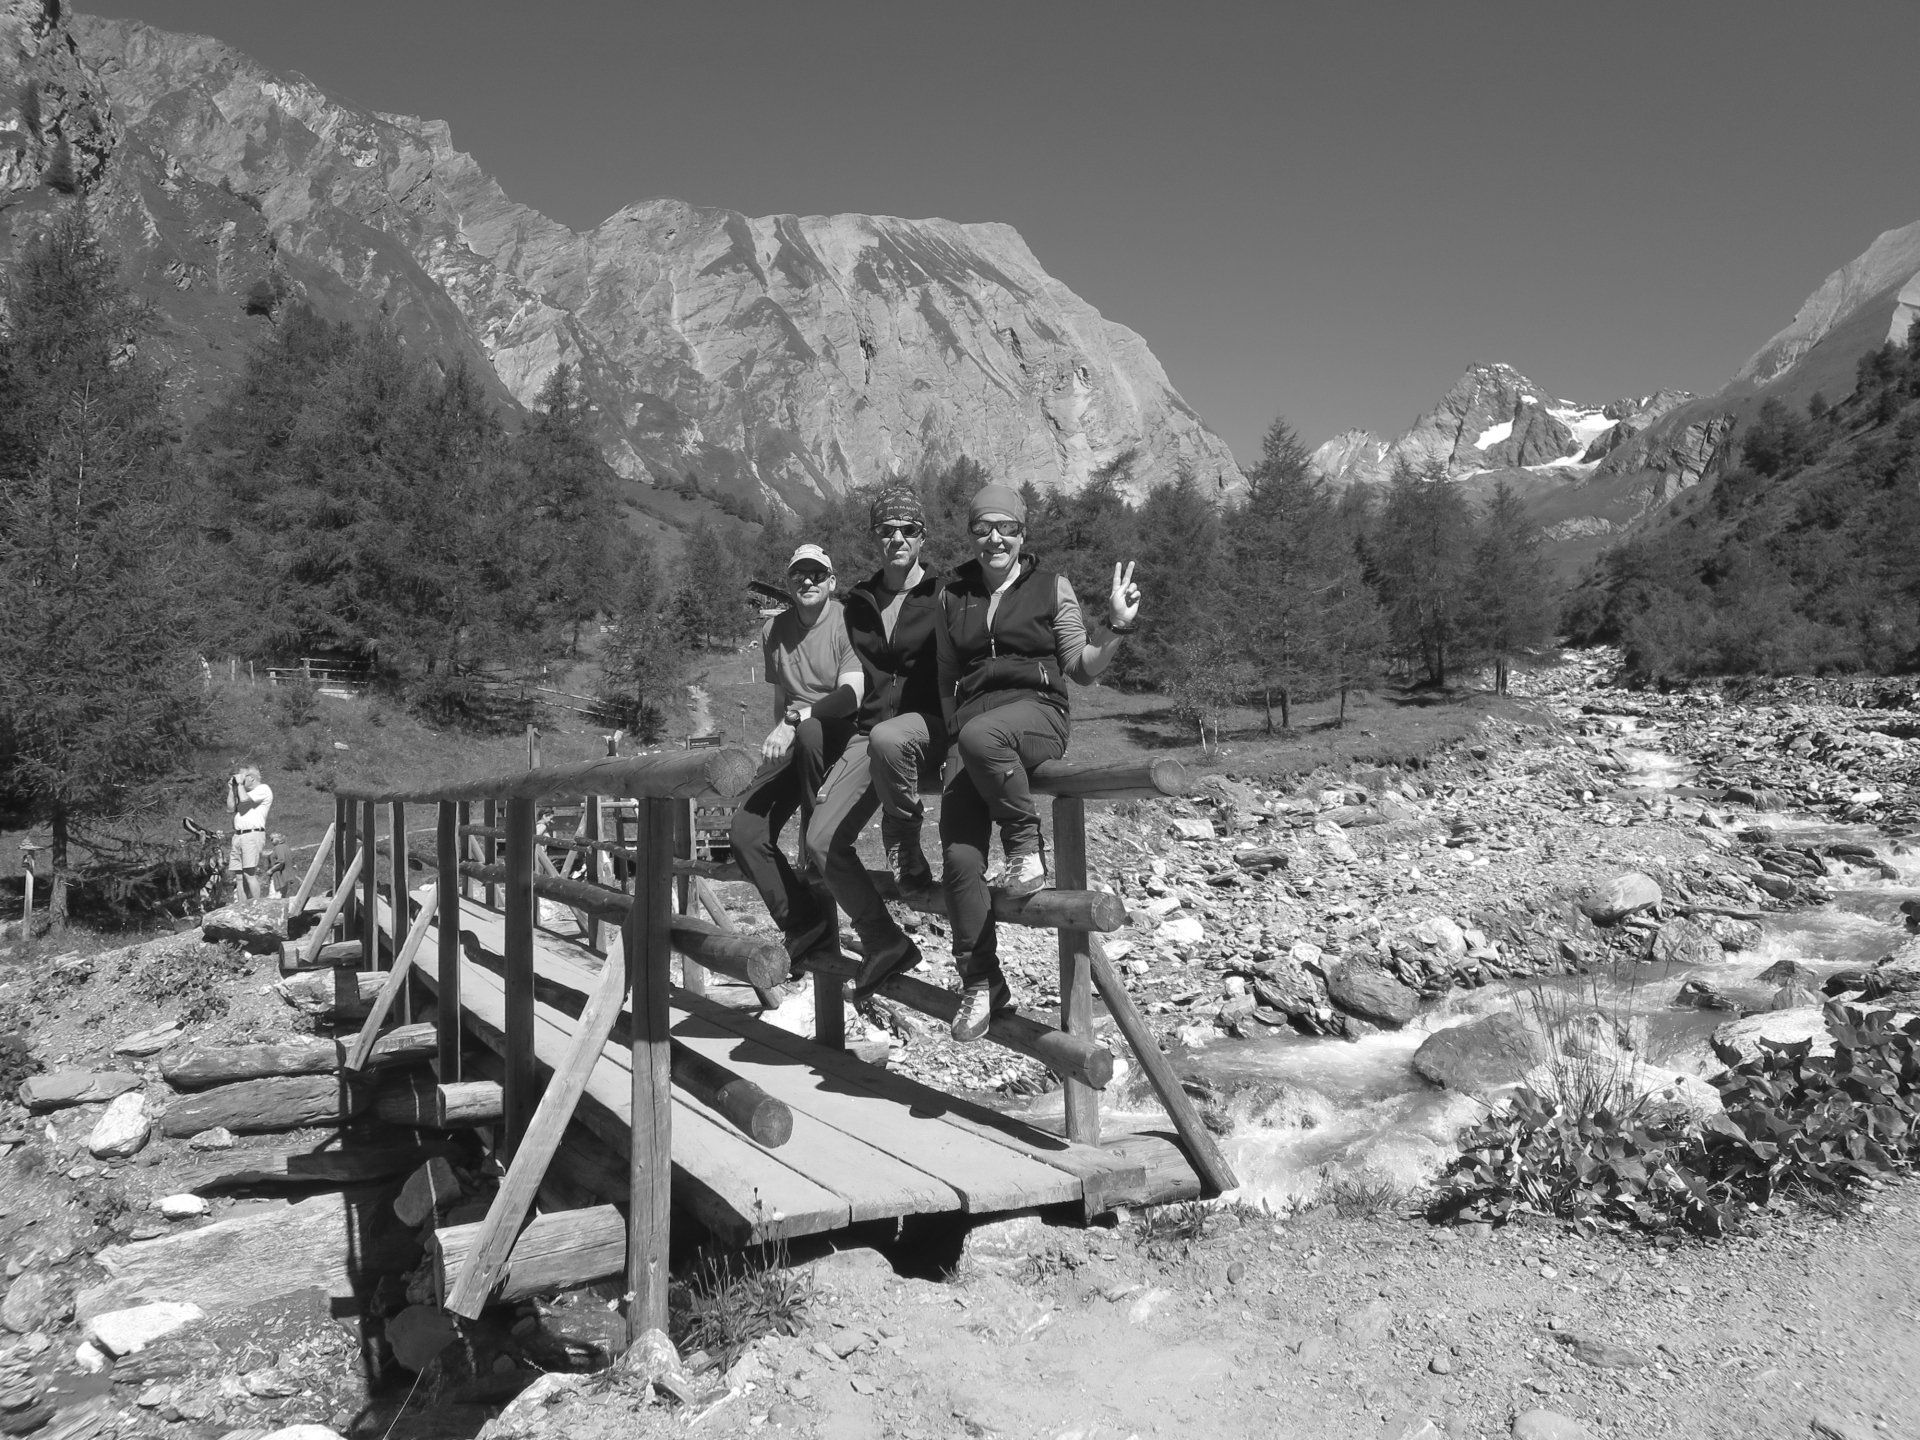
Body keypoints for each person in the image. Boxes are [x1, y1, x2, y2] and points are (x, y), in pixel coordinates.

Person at [936, 483, 1140, 1042]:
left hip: (1038, 716)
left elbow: (1084, 666)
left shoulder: (1052, 587)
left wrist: (1116, 625)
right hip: (975, 735)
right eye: (983, 529)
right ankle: (980, 981)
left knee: (983, 734)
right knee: (957, 858)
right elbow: (945, 670)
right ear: (972, 535)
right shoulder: (953, 595)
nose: (995, 538)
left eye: (1006, 527)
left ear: (1023, 534)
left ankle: (1026, 849)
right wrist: (953, 729)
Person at [802, 483, 949, 998]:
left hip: (929, 728)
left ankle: (905, 849)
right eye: (886, 531)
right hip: (871, 735)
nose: (897, 538)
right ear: (875, 537)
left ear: (923, 535)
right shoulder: (858, 603)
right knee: (820, 843)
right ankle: (886, 942)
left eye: (908, 529)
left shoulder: (946, 595)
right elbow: (826, 653)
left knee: (892, 737)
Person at [728, 544, 866, 972]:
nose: (807, 581)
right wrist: (777, 740)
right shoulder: (775, 631)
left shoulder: (847, 621)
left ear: (831, 581)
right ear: (789, 582)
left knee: (809, 731)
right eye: (798, 575)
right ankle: (801, 920)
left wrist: (796, 718)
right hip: (796, 737)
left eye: (816, 574)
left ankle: (814, 845)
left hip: (840, 732)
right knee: (745, 833)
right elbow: (780, 696)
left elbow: (852, 695)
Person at [226, 765, 274, 900]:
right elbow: (230, 809)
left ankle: (256, 906)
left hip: (252, 834)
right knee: (239, 876)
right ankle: (242, 907)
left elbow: (245, 800)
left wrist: (240, 784)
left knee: (249, 873)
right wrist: (232, 789)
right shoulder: (244, 793)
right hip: (238, 835)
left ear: (251, 778)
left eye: (243, 777)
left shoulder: (263, 789)